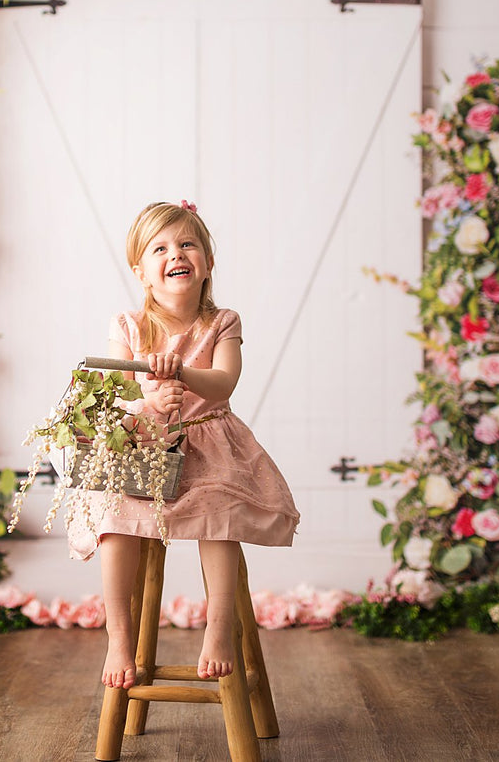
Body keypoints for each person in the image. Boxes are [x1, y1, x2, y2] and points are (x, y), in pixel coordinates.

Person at [70, 200, 299, 689]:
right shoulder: (129, 326)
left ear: (207, 263)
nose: (176, 253)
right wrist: (149, 394)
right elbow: (117, 389)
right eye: (160, 248)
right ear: (142, 271)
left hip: (210, 445)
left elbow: (224, 384)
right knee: (116, 520)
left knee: (220, 516)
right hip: (149, 448)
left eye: (187, 244)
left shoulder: (223, 322)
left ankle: (218, 630)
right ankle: (118, 635)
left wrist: (182, 373)